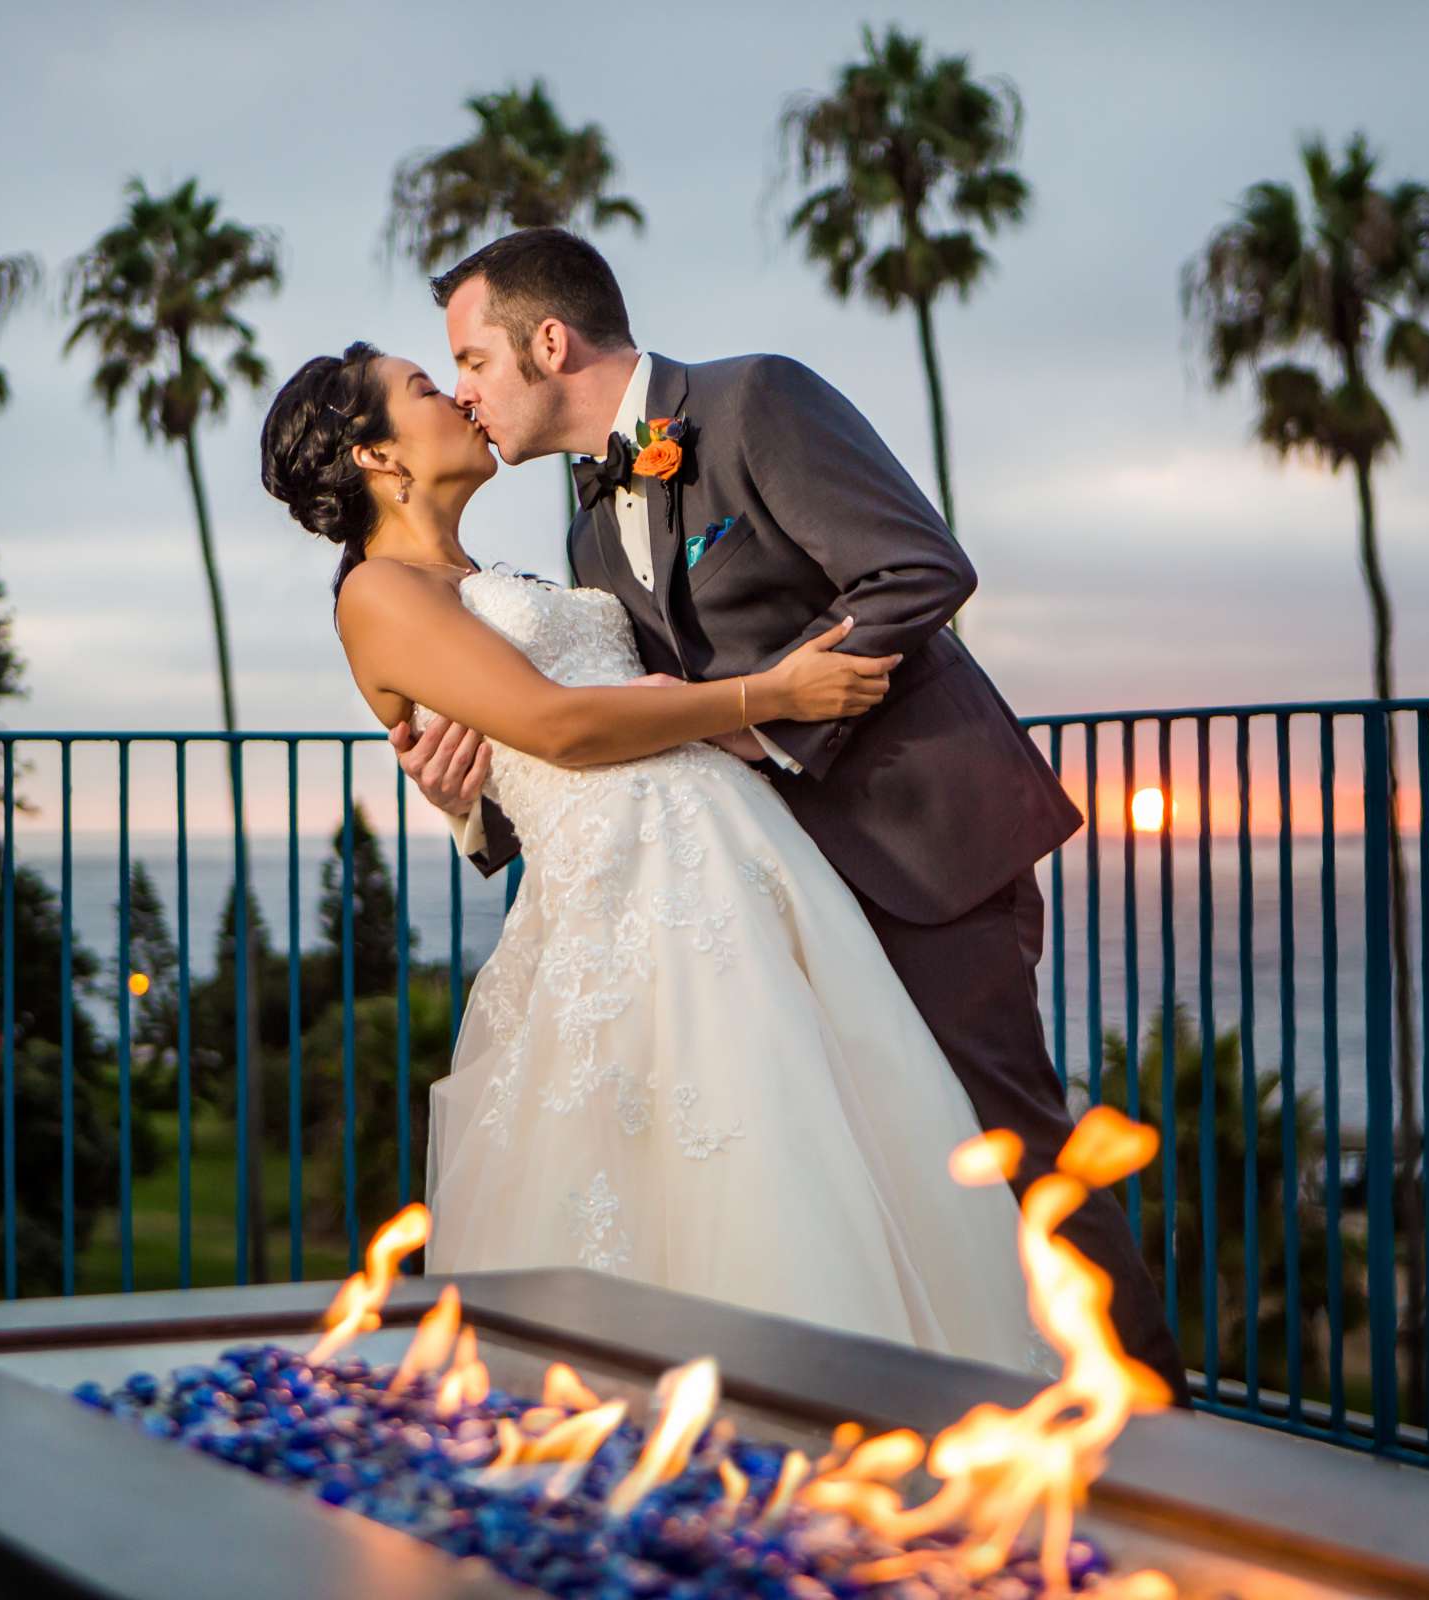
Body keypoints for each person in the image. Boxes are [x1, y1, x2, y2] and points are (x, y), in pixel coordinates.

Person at [390, 226, 1189, 1400]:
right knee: (892, 1169)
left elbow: (917, 569)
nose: (462, 391)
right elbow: (615, 734)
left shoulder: (755, 399)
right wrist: (476, 809)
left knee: (1010, 1143)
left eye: (470, 358)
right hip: (772, 895)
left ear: (547, 341)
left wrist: (762, 719)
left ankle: (1168, 1442)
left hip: (920, 845)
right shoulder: (578, 529)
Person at [262, 340, 1042, 1369]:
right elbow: (558, 727)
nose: (455, 393)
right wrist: (772, 694)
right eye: (424, 387)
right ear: (375, 456)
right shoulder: (378, 592)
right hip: (628, 903)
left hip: (735, 864)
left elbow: (540, 729)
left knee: (812, 1152)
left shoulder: (500, 573)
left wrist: (481, 788)